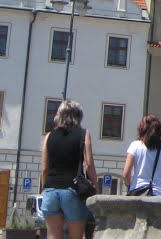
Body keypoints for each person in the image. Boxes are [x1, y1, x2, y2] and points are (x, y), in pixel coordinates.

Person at [41, 100, 96, 239]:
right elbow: (89, 165)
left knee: (53, 235)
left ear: (59, 115)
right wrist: (96, 187)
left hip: (51, 191)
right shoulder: (83, 134)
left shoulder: (49, 136)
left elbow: (44, 169)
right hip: (72, 190)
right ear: (79, 116)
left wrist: (44, 188)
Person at [123, 114, 161, 196]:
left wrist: (129, 185)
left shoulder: (135, 146)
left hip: (138, 191)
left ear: (142, 129)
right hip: (158, 193)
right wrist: (158, 182)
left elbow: (126, 174)